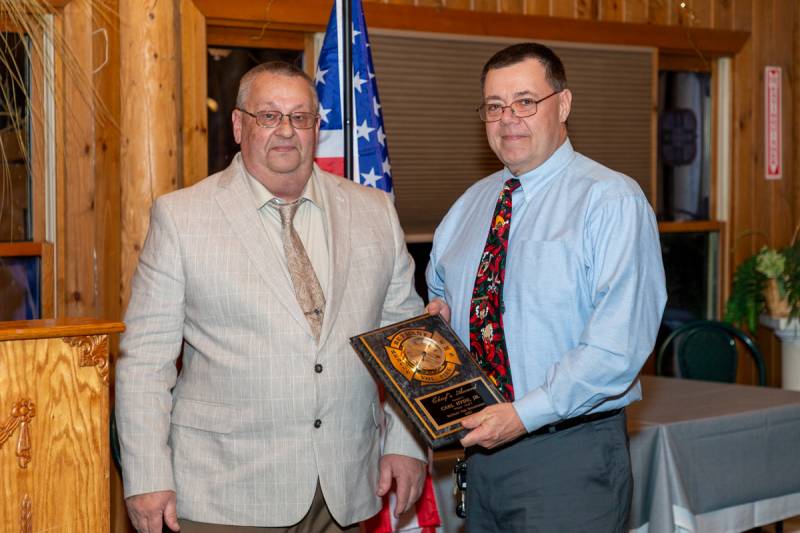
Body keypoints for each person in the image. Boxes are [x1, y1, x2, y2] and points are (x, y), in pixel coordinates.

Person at [116, 61, 427, 533]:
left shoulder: (374, 212)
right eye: (268, 116)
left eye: (300, 117)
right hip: (225, 492)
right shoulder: (182, 218)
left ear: (316, 128)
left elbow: (405, 339)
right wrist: (146, 477)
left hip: (344, 488)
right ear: (239, 125)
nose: (286, 130)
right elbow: (144, 362)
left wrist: (405, 442)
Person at [425, 42, 667, 531]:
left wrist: (523, 415)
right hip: (481, 455)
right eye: (494, 107)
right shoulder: (469, 206)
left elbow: (616, 348)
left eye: (524, 102)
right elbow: (441, 301)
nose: (507, 118)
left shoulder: (610, 201)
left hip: (569, 456)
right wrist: (437, 326)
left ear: (564, 104)